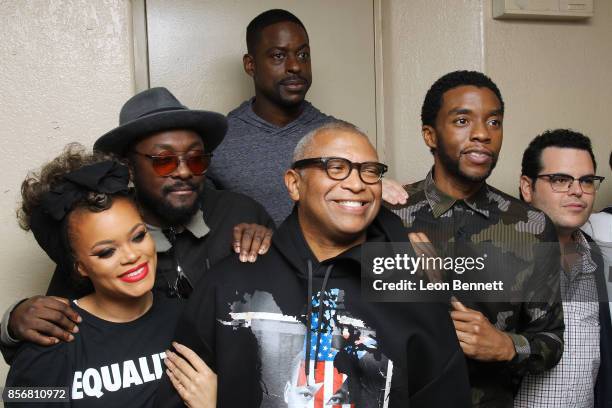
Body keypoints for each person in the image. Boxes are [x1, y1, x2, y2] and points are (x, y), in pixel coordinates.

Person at [155, 121, 472, 407]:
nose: (357, 184)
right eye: (335, 167)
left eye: (370, 171)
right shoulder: (227, 286)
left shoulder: (411, 289)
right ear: (294, 184)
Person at [0, 87, 274, 362]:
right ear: (129, 166)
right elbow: (52, 352)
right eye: (164, 161)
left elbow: (292, 299)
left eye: (196, 159)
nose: (184, 171)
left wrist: (274, 250)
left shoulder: (241, 212)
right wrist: (14, 322)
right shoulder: (102, 230)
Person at [389, 70, 564, 407]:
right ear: (430, 135)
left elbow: (551, 340)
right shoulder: (387, 215)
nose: (483, 134)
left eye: (494, 122)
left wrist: (506, 345)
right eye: (462, 121)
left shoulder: (532, 226)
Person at [5, 145, 213, 407]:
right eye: (106, 252)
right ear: (79, 265)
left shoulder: (188, 319)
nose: (131, 256)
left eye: (138, 236)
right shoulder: (53, 334)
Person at [207, 9, 407, 224]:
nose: (295, 66)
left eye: (303, 55)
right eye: (278, 56)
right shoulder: (217, 141)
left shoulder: (343, 137)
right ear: (250, 65)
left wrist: (374, 190)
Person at [515, 129, 611, 408]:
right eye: (560, 179)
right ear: (526, 187)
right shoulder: (497, 254)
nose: (577, 190)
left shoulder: (594, 257)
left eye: (587, 180)